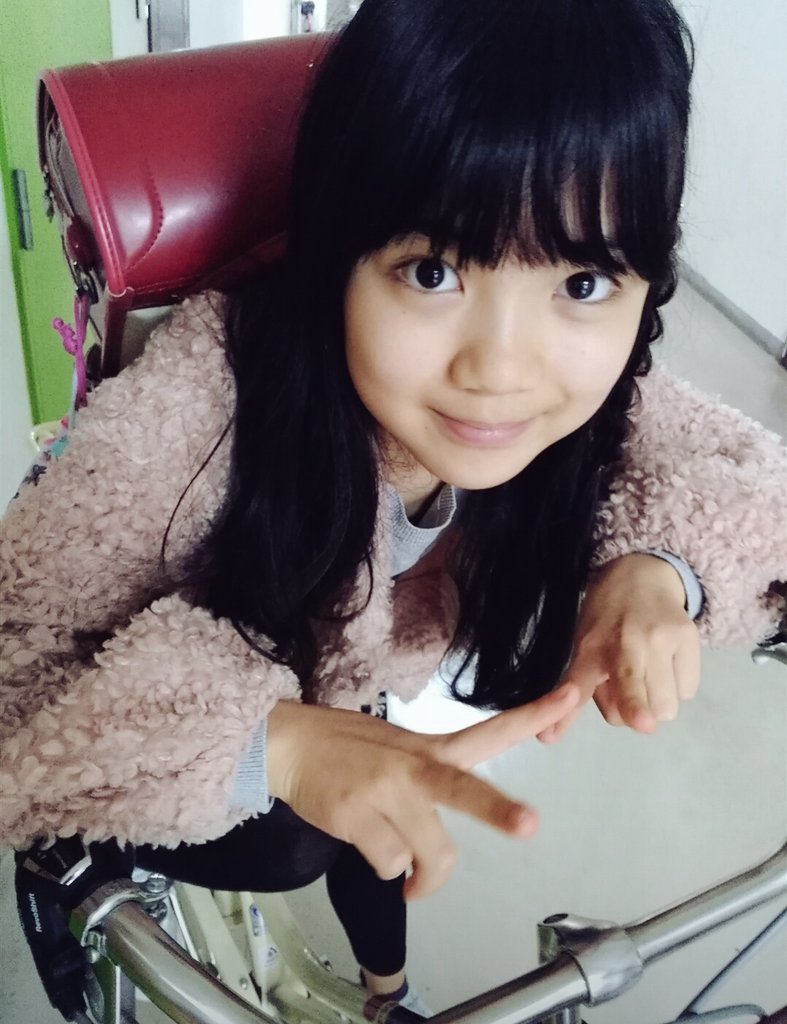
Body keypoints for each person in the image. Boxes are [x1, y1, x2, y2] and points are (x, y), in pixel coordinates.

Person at [2, 0, 786, 1011]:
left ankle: (387, 993)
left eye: (583, 281)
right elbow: (14, 674)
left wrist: (656, 572)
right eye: (432, 270)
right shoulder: (188, 417)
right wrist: (275, 744)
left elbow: (744, 474)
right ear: (339, 254)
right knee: (300, 840)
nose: (500, 369)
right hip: (165, 735)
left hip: (346, 679)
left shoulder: (598, 386)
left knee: (392, 811)